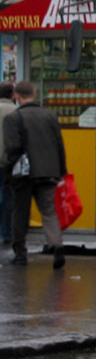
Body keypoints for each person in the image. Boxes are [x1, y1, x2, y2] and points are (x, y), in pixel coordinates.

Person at [3, 80, 67, 268]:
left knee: (20, 213)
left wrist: (8, 171)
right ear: (34, 93)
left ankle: (20, 254)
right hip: (48, 171)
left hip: (23, 175)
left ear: (17, 96)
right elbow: (59, 145)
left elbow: (12, 148)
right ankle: (57, 246)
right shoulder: (49, 116)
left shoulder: (14, 119)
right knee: (49, 211)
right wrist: (61, 171)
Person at [0, 81, 16, 246]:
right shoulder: (15, 111)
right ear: (12, 95)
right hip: (7, 161)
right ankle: (6, 233)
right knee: (8, 197)